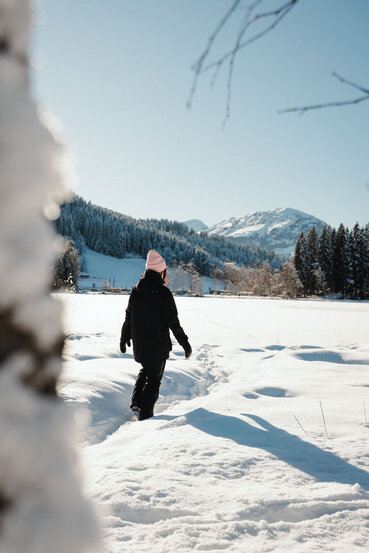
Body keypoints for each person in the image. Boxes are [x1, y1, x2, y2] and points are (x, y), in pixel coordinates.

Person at [120, 250, 192, 421]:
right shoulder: (163, 293)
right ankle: (145, 416)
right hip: (157, 346)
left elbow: (128, 317)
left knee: (146, 370)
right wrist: (185, 344)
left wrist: (124, 338)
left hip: (140, 345)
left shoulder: (136, 290)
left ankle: (136, 403)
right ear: (161, 271)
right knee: (153, 381)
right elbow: (173, 322)